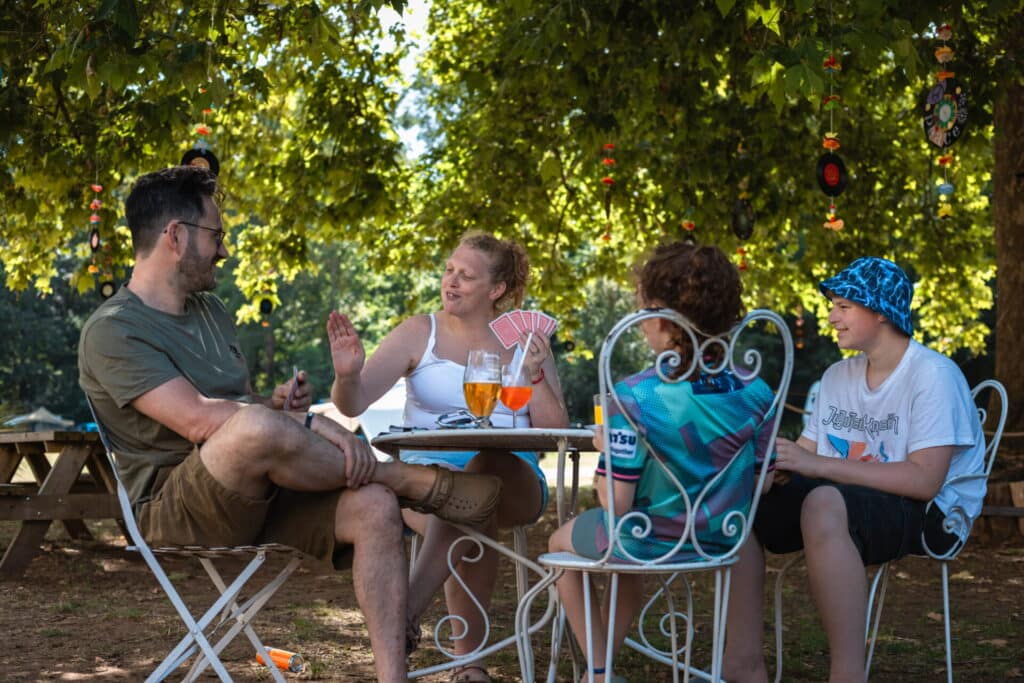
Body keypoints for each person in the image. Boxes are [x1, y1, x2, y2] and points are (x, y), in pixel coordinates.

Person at [78, 165, 503, 683]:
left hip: (259, 487)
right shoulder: (113, 329)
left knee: (371, 505)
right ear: (175, 235)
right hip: (176, 505)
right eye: (216, 235)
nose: (224, 250)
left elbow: (236, 406)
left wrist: (281, 408)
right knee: (260, 431)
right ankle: (409, 478)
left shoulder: (211, 311)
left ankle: (392, 677)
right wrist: (310, 425)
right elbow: (197, 420)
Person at [723, 256, 985, 683]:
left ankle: (848, 675)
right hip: (851, 501)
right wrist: (768, 467)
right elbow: (807, 455)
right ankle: (742, 665)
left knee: (824, 501)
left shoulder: (933, 375)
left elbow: (925, 480)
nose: (832, 316)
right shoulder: (836, 377)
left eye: (844, 305)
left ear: (880, 311)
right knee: (743, 503)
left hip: (934, 514)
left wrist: (817, 464)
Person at [328, 231, 570, 683]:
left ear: (495, 290)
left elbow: (554, 431)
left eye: (467, 276)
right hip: (426, 484)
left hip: (512, 477)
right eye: (449, 271)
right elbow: (352, 403)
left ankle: (408, 611)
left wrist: (535, 374)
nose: (451, 282)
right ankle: (471, 668)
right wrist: (347, 375)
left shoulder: (525, 341)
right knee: (468, 503)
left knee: (483, 475)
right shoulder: (420, 332)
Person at [546, 242, 777, 683]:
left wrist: (607, 450)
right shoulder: (757, 391)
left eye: (645, 308)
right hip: (722, 539)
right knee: (621, 549)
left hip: (648, 539)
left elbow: (615, 501)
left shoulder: (636, 396)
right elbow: (760, 483)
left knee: (561, 545)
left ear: (662, 316)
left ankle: (597, 672)